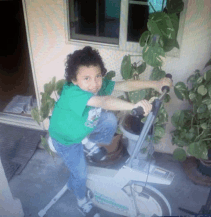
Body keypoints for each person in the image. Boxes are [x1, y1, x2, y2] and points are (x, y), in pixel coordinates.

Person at [48, 46, 172, 217]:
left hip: (81, 126)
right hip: (66, 139)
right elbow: (104, 102)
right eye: (86, 78)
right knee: (80, 174)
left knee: (109, 120)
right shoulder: (73, 93)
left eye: (98, 76)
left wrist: (155, 84)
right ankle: (81, 201)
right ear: (74, 80)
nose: (94, 83)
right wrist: (133, 106)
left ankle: (87, 141)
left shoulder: (96, 85)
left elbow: (125, 85)